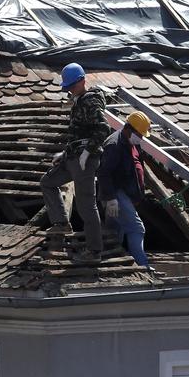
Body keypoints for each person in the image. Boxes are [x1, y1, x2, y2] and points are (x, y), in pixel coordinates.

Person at [40, 62, 108, 261]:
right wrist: (64, 153)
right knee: (47, 182)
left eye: (72, 86)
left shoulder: (90, 101)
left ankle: (94, 251)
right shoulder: (79, 101)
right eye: (68, 87)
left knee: (86, 205)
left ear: (82, 81)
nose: (70, 90)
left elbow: (103, 129)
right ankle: (61, 222)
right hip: (73, 156)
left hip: (85, 160)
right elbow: (77, 134)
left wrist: (88, 152)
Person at [98, 111, 151, 267]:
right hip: (115, 194)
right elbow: (104, 173)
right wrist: (111, 198)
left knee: (115, 231)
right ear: (128, 128)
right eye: (139, 134)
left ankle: (112, 263)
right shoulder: (114, 145)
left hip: (125, 194)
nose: (141, 138)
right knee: (137, 228)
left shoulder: (131, 142)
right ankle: (143, 265)